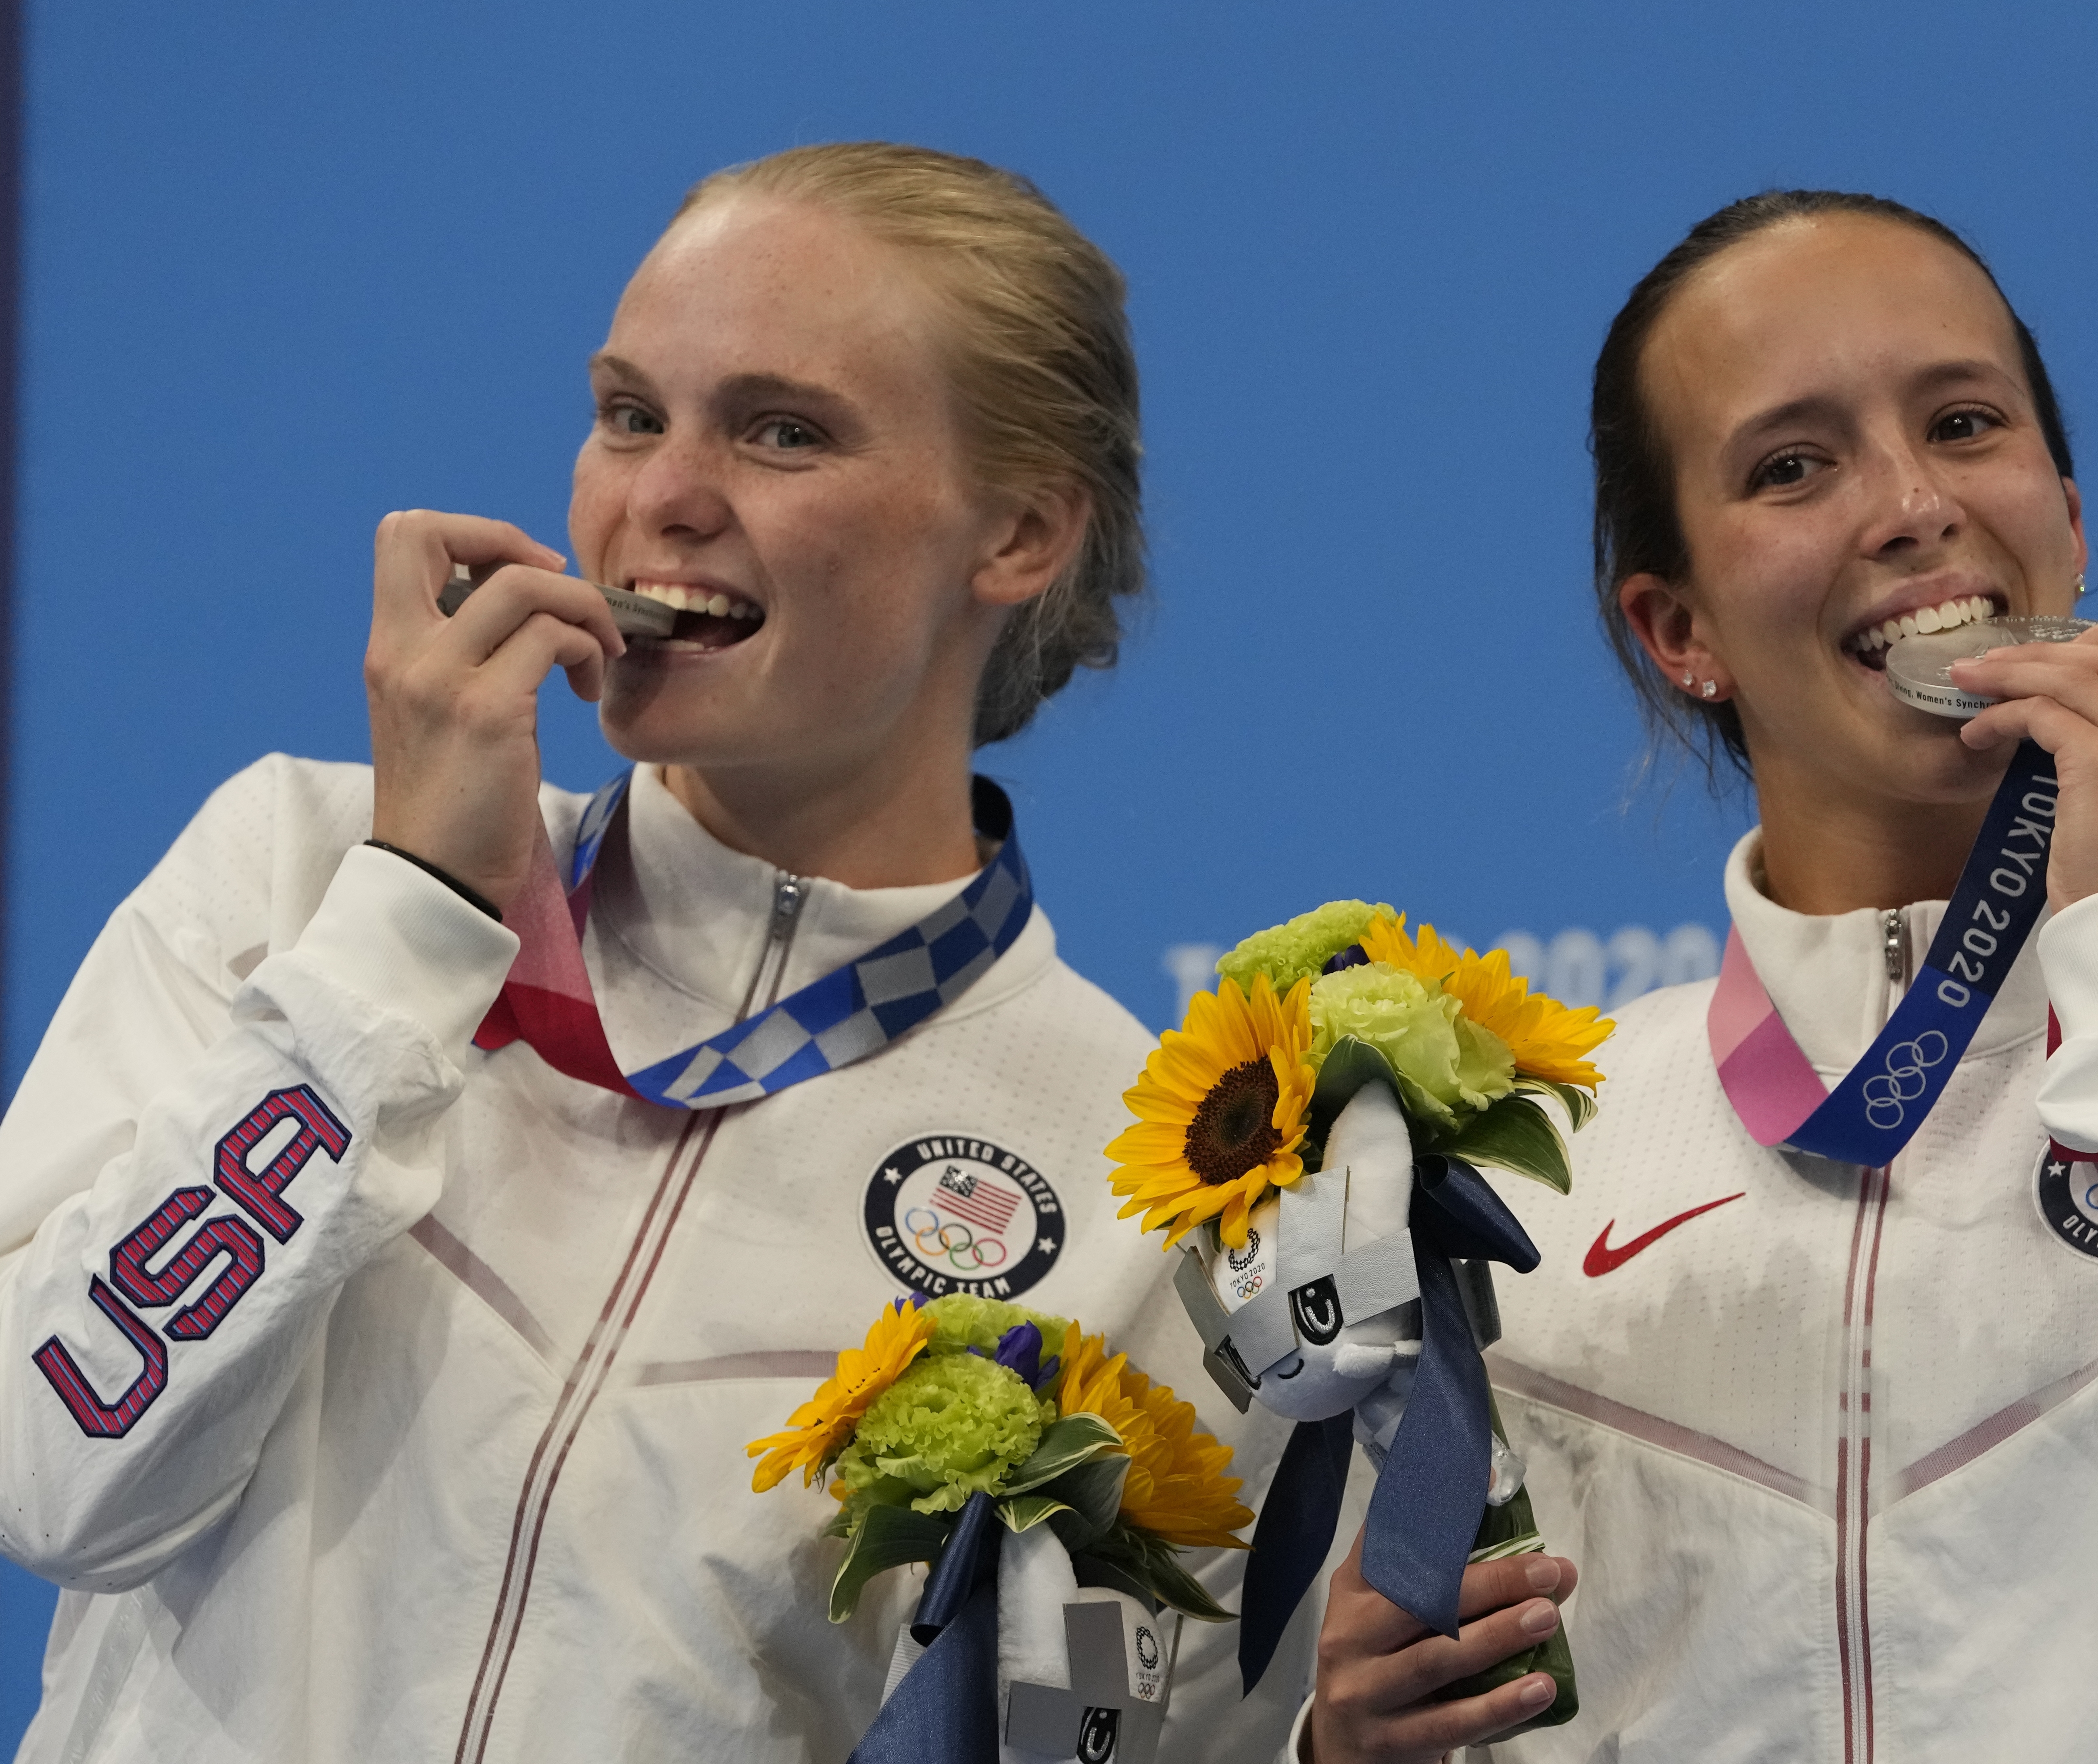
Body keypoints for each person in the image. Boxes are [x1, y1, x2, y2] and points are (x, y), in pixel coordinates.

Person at [0, 143, 1293, 1762]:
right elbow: (51, 1471)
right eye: (628, 415)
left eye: (782, 431)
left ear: (1019, 533)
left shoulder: (1137, 1173)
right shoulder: (295, 873)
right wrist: (410, 916)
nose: (660, 497)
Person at [1312, 190, 2098, 1762]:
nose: (1913, 505)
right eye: (1794, 466)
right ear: (1676, 628)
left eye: (1965, 424)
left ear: (2069, 513)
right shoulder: (1520, 1159)